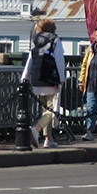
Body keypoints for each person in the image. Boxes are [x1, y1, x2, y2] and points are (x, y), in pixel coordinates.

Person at [23, 18, 66, 148]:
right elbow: (59, 60)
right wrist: (61, 78)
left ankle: (49, 138)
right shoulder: (55, 41)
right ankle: (36, 129)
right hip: (51, 79)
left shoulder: (35, 41)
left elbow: (30, 59)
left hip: (37, 79)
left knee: (44, 109)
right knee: (52, 111)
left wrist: (25, 77)